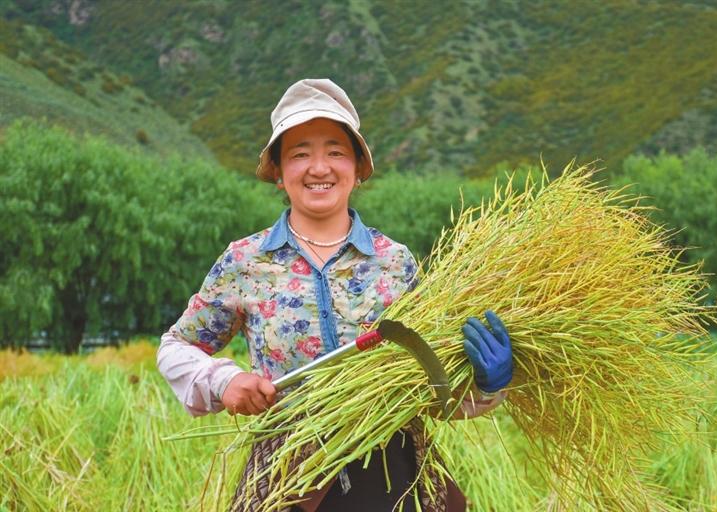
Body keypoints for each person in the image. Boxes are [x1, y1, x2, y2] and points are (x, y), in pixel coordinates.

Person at [156, 79, 514, 512]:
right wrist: (224, 381)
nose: (319, 168)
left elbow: (435, 393)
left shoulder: (395, 262)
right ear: (278, 171)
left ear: (358, 168)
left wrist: (486, 384)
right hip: (287, 482)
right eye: (299, 153)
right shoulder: (245, 261)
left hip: (393, 480)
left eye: (335, 152)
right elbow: (176, 348)